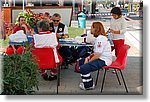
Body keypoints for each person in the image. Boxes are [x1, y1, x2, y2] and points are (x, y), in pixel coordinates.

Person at [79, 22, 112, 90]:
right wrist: (88, 58)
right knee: (81, 62)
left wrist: (89, 61)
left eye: (92, 27)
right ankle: (87, 81)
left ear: (95, 29)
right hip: (101, 58)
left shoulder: (100, 39)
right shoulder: (100, 38)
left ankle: (88, 85)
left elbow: (97, 55)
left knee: (83, 68)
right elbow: (96, 53)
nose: (90, 29)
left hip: (103, 60)